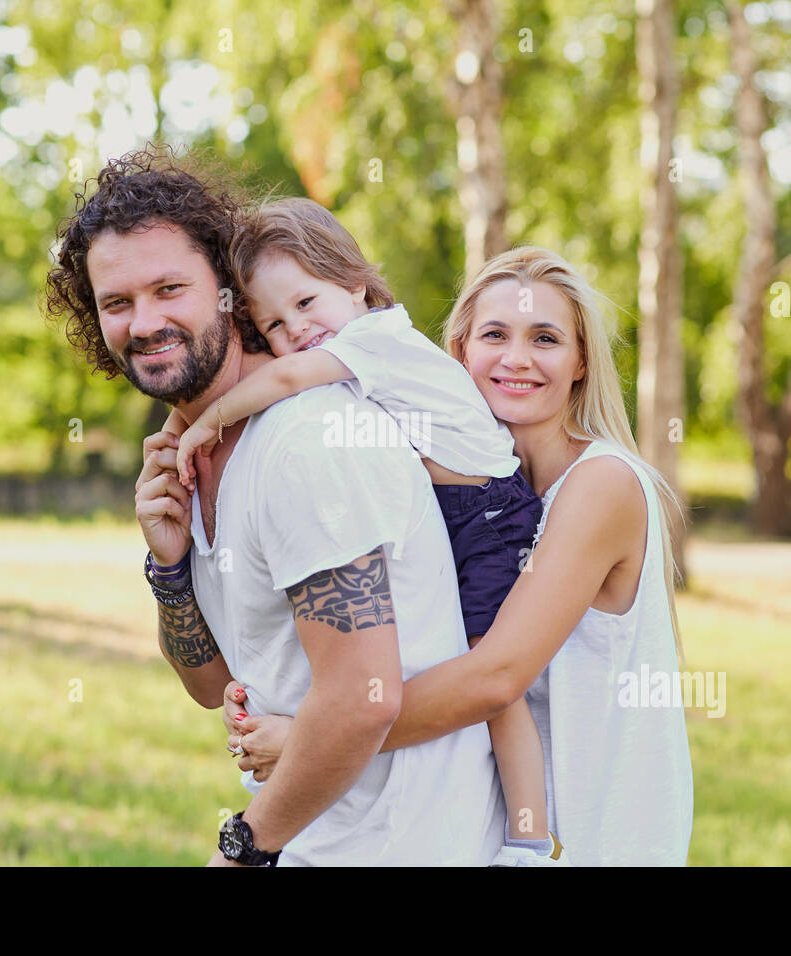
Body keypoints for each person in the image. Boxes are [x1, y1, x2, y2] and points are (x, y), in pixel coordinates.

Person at [44, 145, 504, 865]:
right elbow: (215, 686)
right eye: (117, 302)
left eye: (171, 289)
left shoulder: (306, 439)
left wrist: (243, 850)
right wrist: (169, 566)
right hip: (320, 842)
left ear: (228, 288)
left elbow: (363, 695)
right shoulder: (199, 449)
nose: (144, 321)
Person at [221, 246, 695, 866]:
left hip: (594, 843)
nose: (516, 359)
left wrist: (310, 739)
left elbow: (495, 677)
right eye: (494, 335)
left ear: (581, 362)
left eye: (546, 339)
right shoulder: (457, 486)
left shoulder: (602, 484)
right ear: (460, 352)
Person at [170, 197, 560, 865]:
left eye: (307, 302)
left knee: (492, 682)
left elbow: (289, 375)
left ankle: (529, 840)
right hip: (460, 512)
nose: (297, 328)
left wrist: (197, 422)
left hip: (488, 521)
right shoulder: (353, 354)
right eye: (274, 321)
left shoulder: (375, 340)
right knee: (475, 672)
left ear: (356, 284)